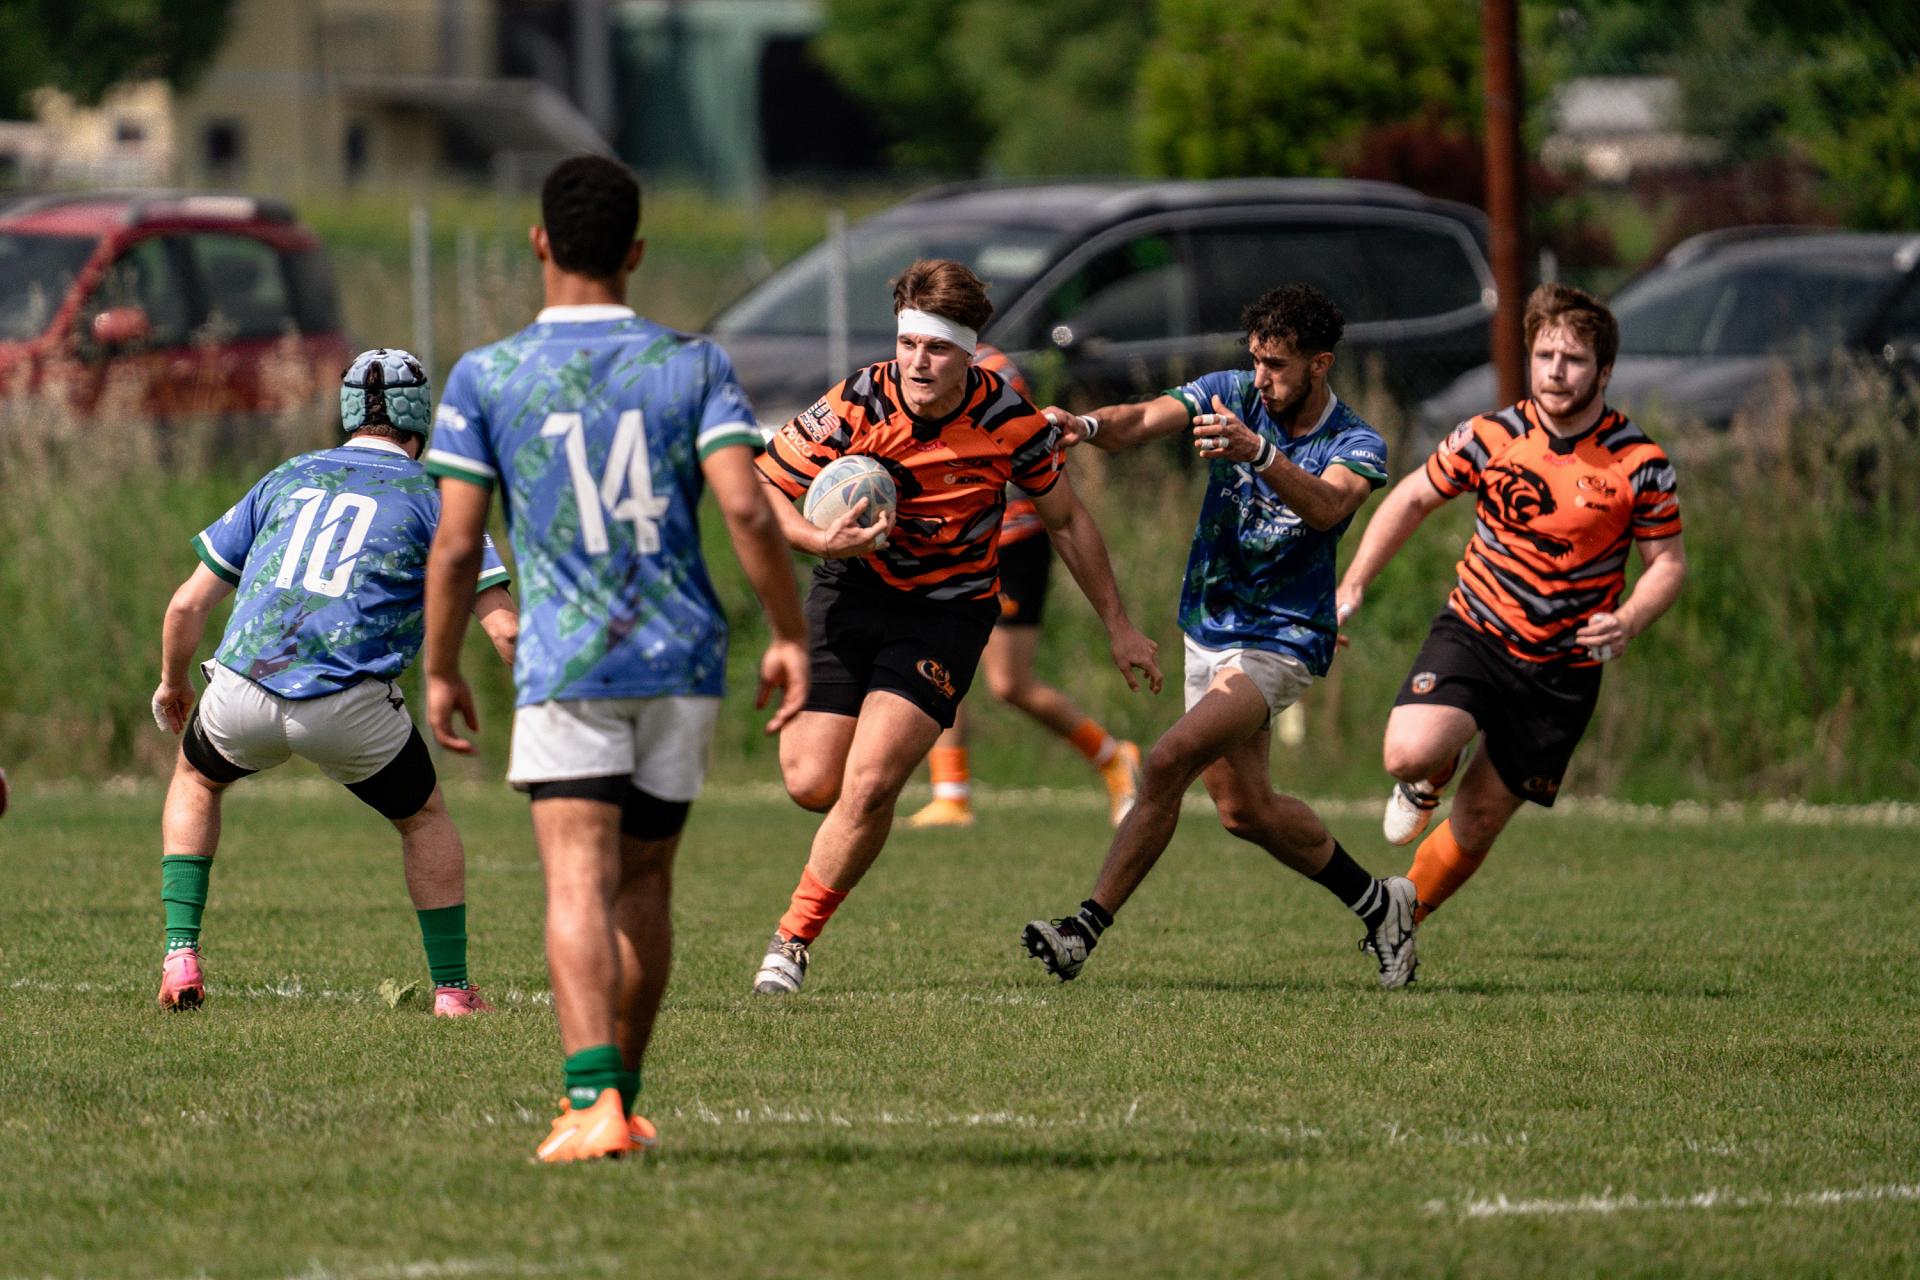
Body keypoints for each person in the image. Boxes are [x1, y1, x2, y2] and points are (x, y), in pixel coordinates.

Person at [421, 155, 808, 1164]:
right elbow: (746, 509)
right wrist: (789, 632)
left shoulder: (487, 374)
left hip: (570, 662)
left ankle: (591, 1099)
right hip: (680, 658)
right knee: (645, 883)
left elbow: (457, 546)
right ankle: (619, 1104)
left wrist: (441, 664)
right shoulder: (695, 364)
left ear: (539, 243)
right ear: (636, 252)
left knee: (575, 881)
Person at [750, 258, 1161, 996]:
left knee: (872, 782)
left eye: (937, 348)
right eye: (908, 344)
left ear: (969, 352)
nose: (917, 362)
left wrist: (1119, 625)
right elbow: (761, 483)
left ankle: (791, 943)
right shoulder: (857, 400)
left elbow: (1067, 520)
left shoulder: (1009, 420)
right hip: (849, 590)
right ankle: (845, 834)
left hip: (947, 612)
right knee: (812, 782)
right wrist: (818, 541)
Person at [1020, 284, 1421, 989]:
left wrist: (1258, 452)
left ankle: (1082, 929)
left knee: (1167, 760)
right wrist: (1083, 424)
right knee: (1245, 810)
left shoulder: (1356, 441)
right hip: (1210, 624)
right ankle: (1381, 904)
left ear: (1320, 364)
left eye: (1278, 365)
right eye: (1256, 360)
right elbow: (1144, 418)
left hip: (1283, 638)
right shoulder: (1231, 392)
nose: (1261, 378)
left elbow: (1329, 507)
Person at [149, 347, 518, 1017]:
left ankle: (180, 954)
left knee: (196, 780)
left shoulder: (287, 476)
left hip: (242, 689)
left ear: (347, 412)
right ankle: (453, 990)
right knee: (424, 820)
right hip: (349, 705)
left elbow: (184, 607)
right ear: (421, 419)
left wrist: (174, 683)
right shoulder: (437, 496)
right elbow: (505, 631)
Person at [1335, 283, 1685, 928]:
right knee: (1407, 753)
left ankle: (1397, 920)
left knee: (1479, 819)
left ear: (1605, 371)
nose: (1556, 371)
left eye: (1574, 359)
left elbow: (1667, 563)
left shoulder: (1639, 462)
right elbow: (1411, 497)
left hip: (1564, 666)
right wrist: (1354, 582)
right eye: (1545, 355)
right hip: (1478, 629)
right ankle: (1430, 773)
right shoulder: (1490, 435)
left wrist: (1629, 618)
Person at [904, 343, 1140, 831]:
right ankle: (951, 794)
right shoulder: (915, 368)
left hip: (1010, 541)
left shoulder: (994, 372)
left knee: (1009, 683)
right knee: (936, 655)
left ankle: (1113, 756)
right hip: (952, 539)